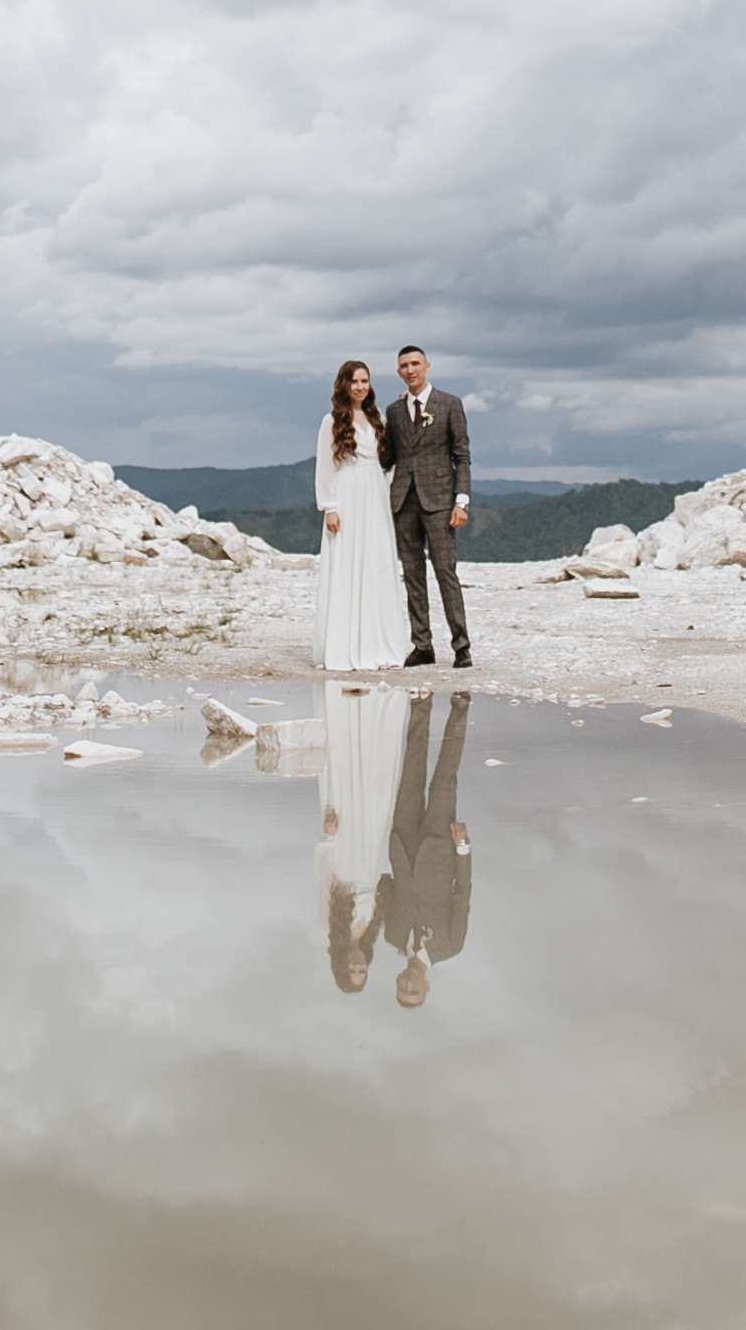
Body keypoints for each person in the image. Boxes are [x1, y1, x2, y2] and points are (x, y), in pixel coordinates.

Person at [313, 359, 412, 672]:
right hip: (347, 492)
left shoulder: (376, 417)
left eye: (365, 381)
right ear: (344, 384)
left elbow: (391, 454)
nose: (360, 387)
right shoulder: (331, 421)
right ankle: (346, 645)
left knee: (377, 562)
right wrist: (330, 506)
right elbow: (325, 468)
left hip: (375, 492)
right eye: (354, 381)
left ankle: (379, 641)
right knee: (348, 563)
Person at [312, 679, 410, 993]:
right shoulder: (371, 931)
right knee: (375, 792)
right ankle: (376, 716)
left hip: (346, 857)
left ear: (340, 964)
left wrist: (327, 840)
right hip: (370, 858)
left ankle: (348, 715)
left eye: (352, 969)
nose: (358, 965)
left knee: (348, 787)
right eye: (361, 971)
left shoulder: (330, 927)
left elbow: (322, 882)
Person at [380, 689, 472, 1006]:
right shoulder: (450, 946)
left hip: (402, 844)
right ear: (426, 987)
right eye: (414, 991)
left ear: (396, 982)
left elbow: (385, 886)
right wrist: (462, 847)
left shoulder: (391, 935)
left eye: (402, 989)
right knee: (444, 778)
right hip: (440, 852)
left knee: (411, 773)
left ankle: (421, 702)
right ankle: (461, 704)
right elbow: (462, 895)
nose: (408, 984)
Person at [383, 346, 472, 669]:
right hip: (403, 501)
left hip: (440, 501)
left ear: (427, 367)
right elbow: (387, 456)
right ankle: (423, 645)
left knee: (446, 572)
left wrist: (461, 501)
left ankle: (461, 646)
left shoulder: (450, 404)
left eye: (415, 364)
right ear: (399, 372)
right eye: (404, 365)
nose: (410, 370)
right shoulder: (394, 411)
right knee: (413, 576)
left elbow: (461, 456)